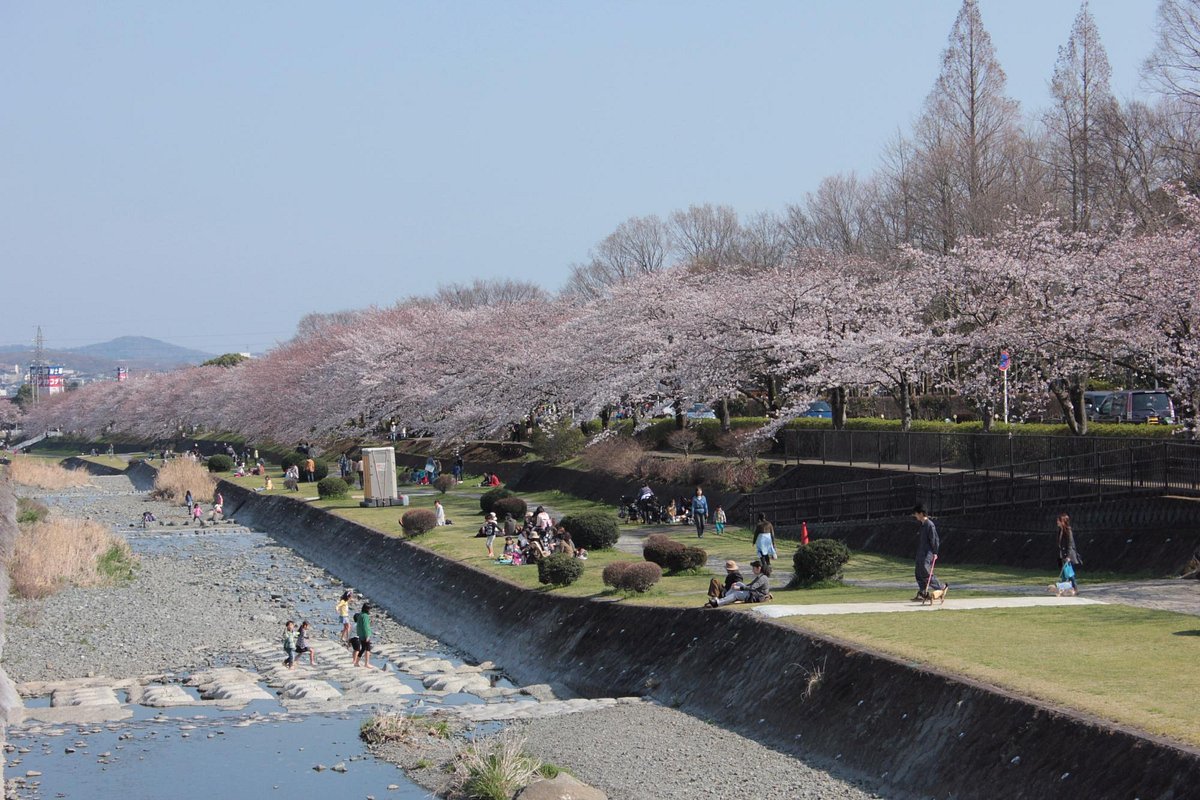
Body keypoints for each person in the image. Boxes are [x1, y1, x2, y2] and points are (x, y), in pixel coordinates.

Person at [912, 504, 946, 601]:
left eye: (916, 513)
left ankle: (941, 587)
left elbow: (935, 539)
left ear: (921, 513)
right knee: (918, 571)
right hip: (921, 552)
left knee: (925, 571)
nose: (915, 515)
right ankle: (923, 592)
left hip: (928, 553)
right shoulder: (922, 525)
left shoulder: (929, 525)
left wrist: (935, 552)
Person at [1056, 513, 1081, 594]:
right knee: (1065, 573)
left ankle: (1075, 589)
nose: (1057, 522)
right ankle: (1063, 589)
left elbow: (1070, 544)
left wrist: (1069, 556)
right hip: (1062, 554)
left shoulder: (1068, 531)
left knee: (1069, 573)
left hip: (1068, 555)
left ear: (1063, 521)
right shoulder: (1060, 530)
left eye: (1059, 520)